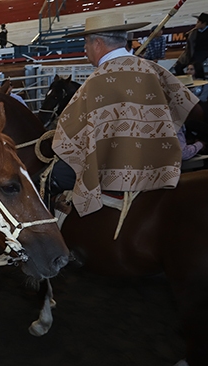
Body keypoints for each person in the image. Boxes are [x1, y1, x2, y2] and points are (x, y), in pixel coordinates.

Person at [50, 13, 199, 217]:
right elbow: (191, 109)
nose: (85, 50)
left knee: (54, 175)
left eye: (86, 43)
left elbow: (68, 135)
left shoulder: (95, 82)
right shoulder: (153, 69)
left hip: (112, 169)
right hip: (161, 164)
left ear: (98, 43)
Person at [174, 13, 208, 77]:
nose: (196, 24)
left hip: (203, 52)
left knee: (196, 65)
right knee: (178, 67)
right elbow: (189, 44)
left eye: (198, 22)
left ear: (204, 23)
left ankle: (200, 81)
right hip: (191, 52)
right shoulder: (194, 32)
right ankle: (185, 81)